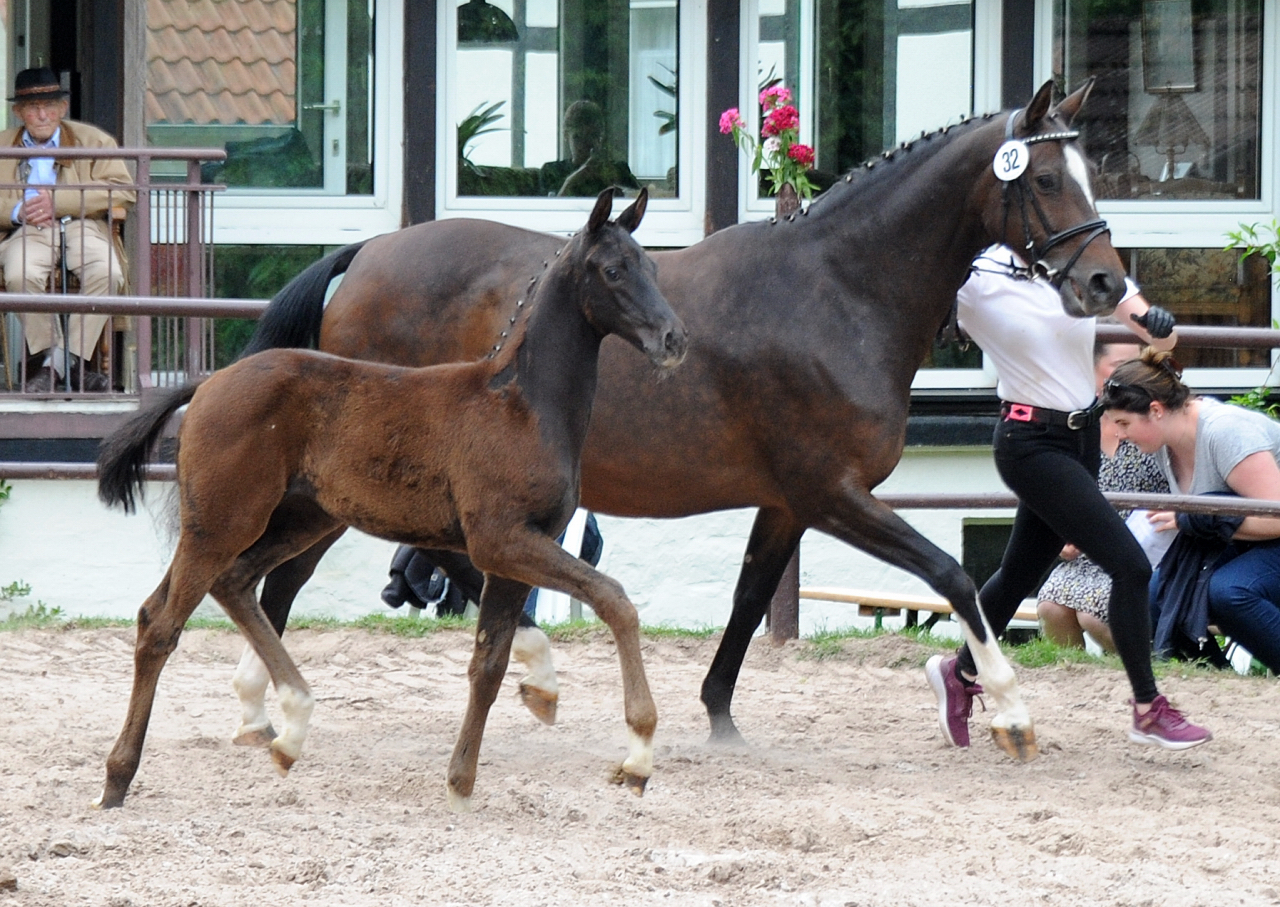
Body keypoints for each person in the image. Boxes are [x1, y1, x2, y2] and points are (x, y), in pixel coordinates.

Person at [925, 244, 1213, 752]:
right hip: (1029, 443)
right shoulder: (974, 277)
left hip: (1081, 438)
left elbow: (1155, 332)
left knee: (1017, 572)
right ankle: (1148, 709)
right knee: (1129, 566)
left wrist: (1159, 324)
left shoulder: (1071, 259)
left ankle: (959, 671)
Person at [1102, 350, 1280, 674]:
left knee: (1229, 592)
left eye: (1124, 423)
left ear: (1155, 410)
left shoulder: (1225, 432)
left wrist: (1195, 520)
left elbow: (1277, 517)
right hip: (1248, 541)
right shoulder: (1163, 445)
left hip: (1272, 531)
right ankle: (1215, 686)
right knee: (1154, 595)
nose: (1120, 435)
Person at [0, 68, 135, 392]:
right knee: (19, 274)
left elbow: (123, 192)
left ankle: (56, 366)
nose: (42, 114)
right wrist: (18, 211)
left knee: (108, 272)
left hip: (83, 225)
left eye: (49, 105)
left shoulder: (95, 140)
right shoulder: (3, 144)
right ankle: (67, 365)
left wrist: (60, 202)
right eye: (32, 108)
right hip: (28, 229)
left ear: (63, 108)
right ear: (18, 112)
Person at [1036, 341, 1171, 652]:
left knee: (1095, 615)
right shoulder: (1076, 423)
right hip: (1092, 547)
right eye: (1120, 365)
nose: (1131, 374)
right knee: (1050, 608)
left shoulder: (1153, 417)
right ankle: (1077, 686)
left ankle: (1147, 676)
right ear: (1090, 368)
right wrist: (1064, 536)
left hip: (1146, 549)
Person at [539, 100, 638, 198]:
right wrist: (575, 179)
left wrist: (615, 182)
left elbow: (643, 199)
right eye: (578, 137)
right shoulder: (552, 172)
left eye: (593, 136)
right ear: (566, 135)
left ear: (602, 136)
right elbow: (552, 209)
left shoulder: (619, 170)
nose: (586, 144)